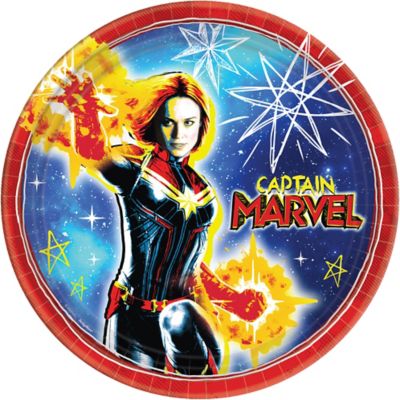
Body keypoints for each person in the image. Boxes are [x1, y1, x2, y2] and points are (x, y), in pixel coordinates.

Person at [49, 70, 267, 375]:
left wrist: (234, 300)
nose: (179, 134)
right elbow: (93, 153)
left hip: (186, 313)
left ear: (201, 125)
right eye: (168, 122)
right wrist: (84, 111)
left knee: (181, 329)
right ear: (154, 123)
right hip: (133, 315)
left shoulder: (203, 191)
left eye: (188, 123)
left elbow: (191, 267)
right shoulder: (136, 171)